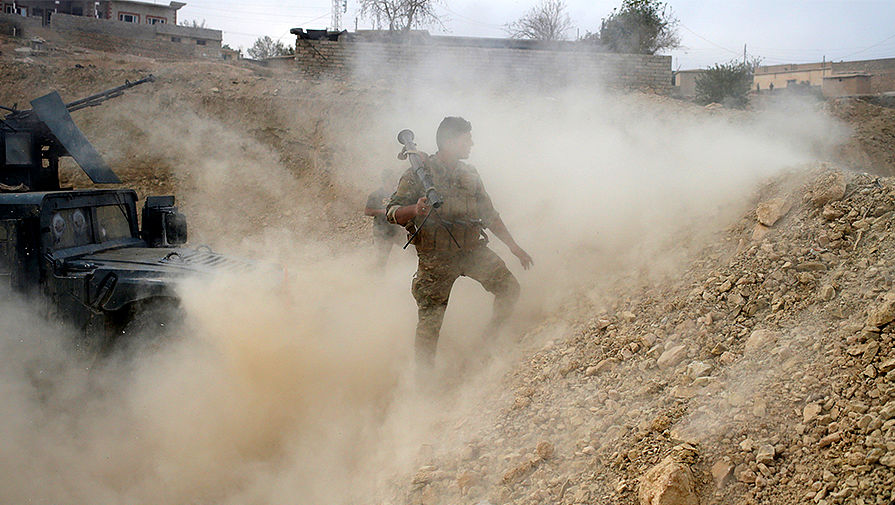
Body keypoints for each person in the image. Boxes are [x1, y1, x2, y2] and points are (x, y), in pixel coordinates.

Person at [386, 116, 533, 369]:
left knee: (510, 290)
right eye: (467, 139)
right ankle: (423, 384)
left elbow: (489, 214)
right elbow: (392, 212)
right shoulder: (420, 174)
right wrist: (415, 209)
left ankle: (487, 347)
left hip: (471, 250)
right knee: (430, 326)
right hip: (436, 259)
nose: (472, 144)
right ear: (451, 142)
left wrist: (513, 247)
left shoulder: (470, 174)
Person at [365, 169, 404, 268]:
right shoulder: (376, 195)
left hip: (397, 230)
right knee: (381, 259)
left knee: (410, 252)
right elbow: (367, 211)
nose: (394, 181)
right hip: (382, 232)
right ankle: (377, 278)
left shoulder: (398, 194)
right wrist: (382, 212)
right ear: (385, 180)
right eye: (392, 179)